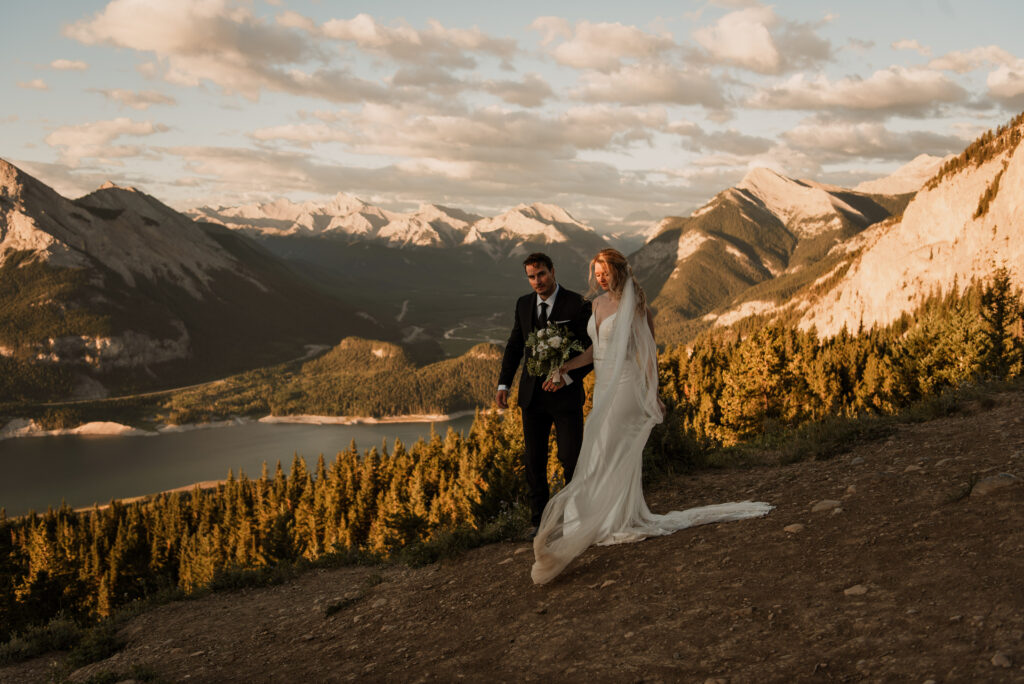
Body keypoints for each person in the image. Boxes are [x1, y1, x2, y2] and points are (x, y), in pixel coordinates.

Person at [531, 248, 772, 585]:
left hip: (627, 385)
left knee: (605, 450)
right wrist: (566, 367)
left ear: (618, 270)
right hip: (603, 388)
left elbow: (647, 353)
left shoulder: (636, 304)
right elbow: (596, 350)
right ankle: (600, 517)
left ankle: (610, 519)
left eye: (605, 271)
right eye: (596, 272)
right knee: (600, 452)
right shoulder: (597, 304)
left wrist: (651, 392)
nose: (600, 277)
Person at [496, 252, 593, 536]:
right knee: (534, 461)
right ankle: (539, 523)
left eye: (541, 274)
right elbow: (515, 346)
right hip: (532, 398)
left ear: (552, 271)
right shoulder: (523, 304)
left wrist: (568, 376)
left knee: (570, 458)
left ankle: (576, 520)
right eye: (531, 276)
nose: (537, 281)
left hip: (566, 399)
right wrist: (504, 384)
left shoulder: (576, 304)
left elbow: (591, 350)